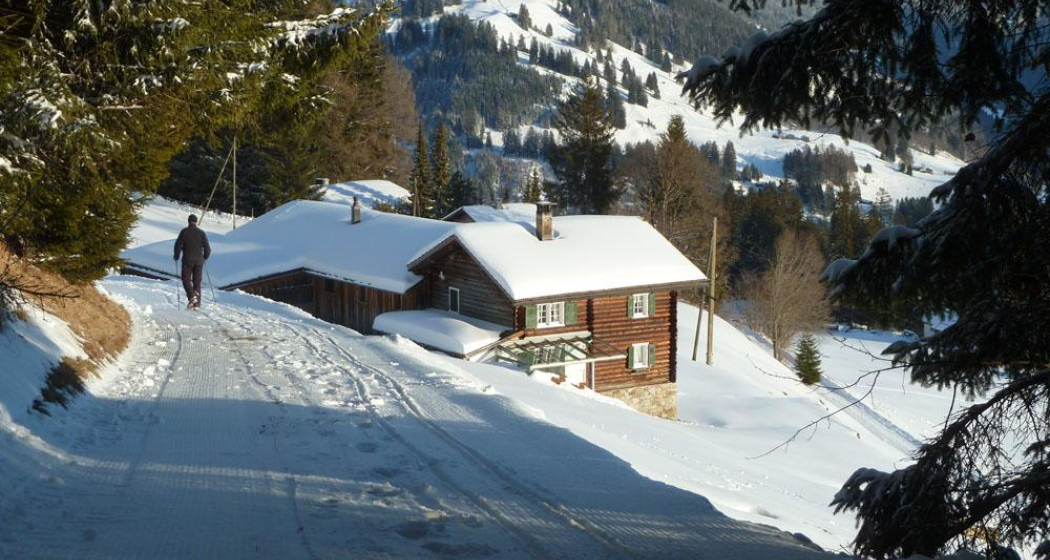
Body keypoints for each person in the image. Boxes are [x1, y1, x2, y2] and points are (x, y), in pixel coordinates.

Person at [173, 214, 211, 309]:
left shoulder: (184, 232)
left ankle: (192, 296)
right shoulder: (201, 233)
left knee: (186, 279)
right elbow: (208, 249)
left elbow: (178, 245)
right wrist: (204, 257)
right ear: (196, 222)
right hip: (199, 261)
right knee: (197, 281)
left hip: (187, 260)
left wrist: (176, 256)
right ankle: (197, 304)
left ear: (188, 221)